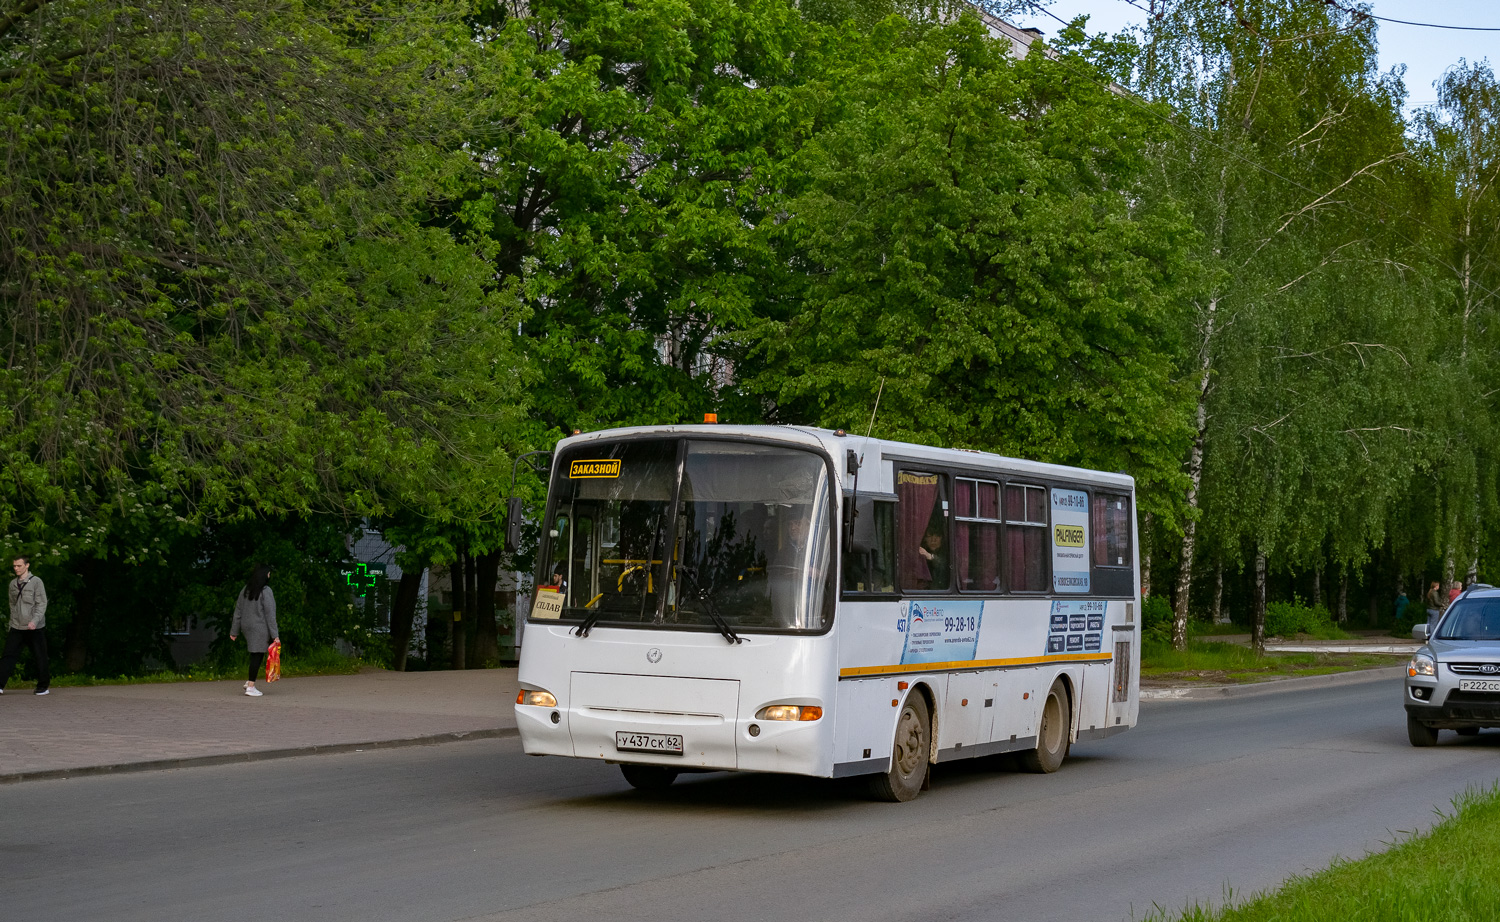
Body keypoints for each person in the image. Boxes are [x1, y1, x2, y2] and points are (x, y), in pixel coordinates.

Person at [2, 555, 50, 695]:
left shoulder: (36, 582)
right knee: (8, 655)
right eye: (14, 566)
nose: (16, 568)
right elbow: (12, 605)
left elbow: (42, 603)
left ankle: (43, 686)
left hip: (35, 627)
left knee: (40, 655)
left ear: (27, 565)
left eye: (19, 566)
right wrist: (11, 623)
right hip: (17, 626)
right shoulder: (12, 584)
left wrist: (34, 621)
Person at [229, 564, 279, 697]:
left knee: (254, 653)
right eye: (268, 573)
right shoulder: (266, 591)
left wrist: (234, 631)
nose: (269, 576)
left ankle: (249, 681)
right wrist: (275, 635)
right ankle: (251, 686)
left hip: (247, 627)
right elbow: (270, 615)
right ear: (264, 575)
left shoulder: (245, 590)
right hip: (260, 627)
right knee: (257, 655)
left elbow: (238, 611)